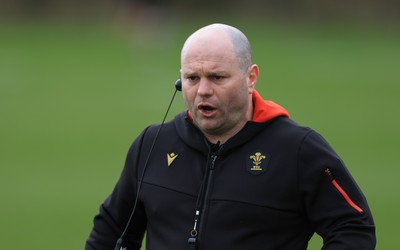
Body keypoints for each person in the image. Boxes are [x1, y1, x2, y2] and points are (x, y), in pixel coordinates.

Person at [85, 23, 376, 250]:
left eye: (217, 77)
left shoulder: (298, 150)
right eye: (192, 78)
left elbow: (353, 227)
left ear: (250, 78)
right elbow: (112, 231)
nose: (203, 91)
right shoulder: (153, 144)